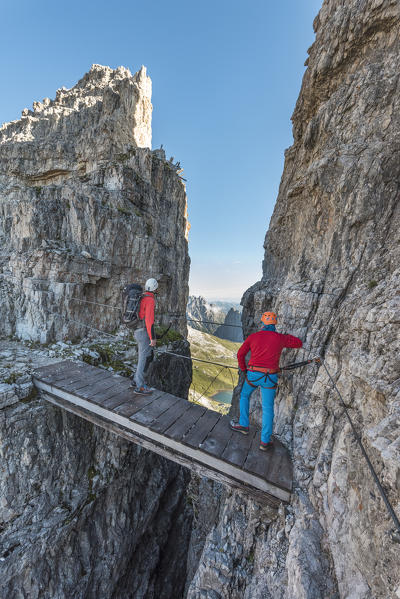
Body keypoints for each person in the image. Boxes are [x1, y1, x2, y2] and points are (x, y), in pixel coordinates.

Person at [230, 311, 302, 451]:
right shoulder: (280, 338)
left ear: (262, 323)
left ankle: (243, 425)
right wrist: (286, 337)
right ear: (275, 323)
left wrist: (244, 369)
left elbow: (240, 354)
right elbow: (298, 343)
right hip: (270, 377)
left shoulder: (253, 337)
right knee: (268, 409)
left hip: (252, 375)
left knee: (245, 395)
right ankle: (264, 441)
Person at [131, 278, 158, 394]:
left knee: (142, 357)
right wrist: (152, 338)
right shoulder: (150, 300)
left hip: (136, 330)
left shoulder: (142, 296)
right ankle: (140, 386)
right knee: (144, 358)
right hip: (143, 332)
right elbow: (149, 321)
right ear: (155, 288)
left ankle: (136, 381)